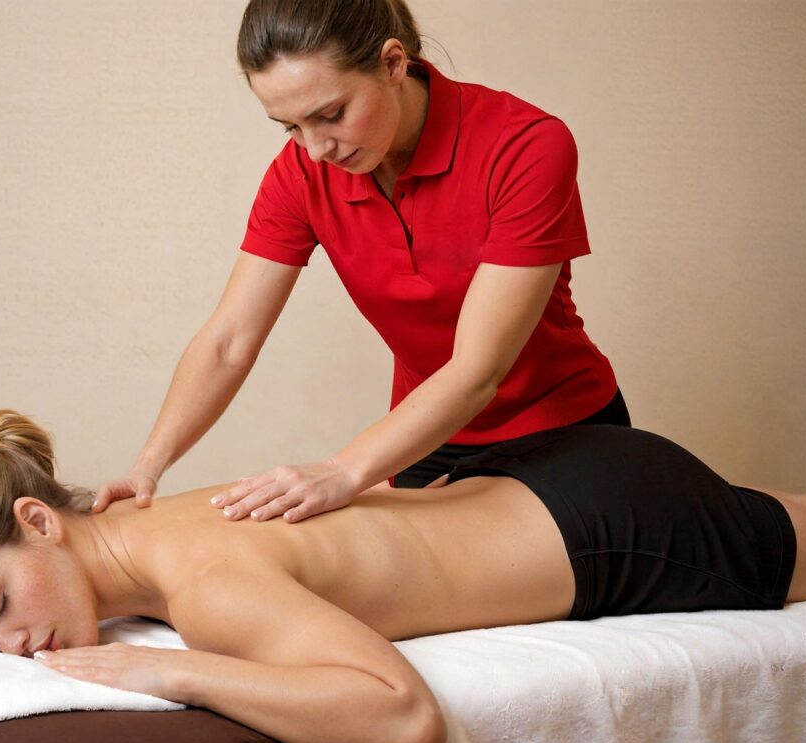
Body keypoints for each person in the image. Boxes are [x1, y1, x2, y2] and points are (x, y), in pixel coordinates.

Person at [0, 410, 806, 743]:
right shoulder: (141, 521)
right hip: (544, 480)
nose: (11, 646)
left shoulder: (206, 590)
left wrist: (173, 673)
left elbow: (403, 722)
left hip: (612, 533)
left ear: (38, 520)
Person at [93, 0, 629, 524]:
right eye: (289, 126)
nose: (315, 148)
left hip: (562, 428)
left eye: (330, 115)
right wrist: (148, 468)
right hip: (424, 436)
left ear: (393, 63)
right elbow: (229, 342)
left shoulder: (526, 145)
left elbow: (477, 370)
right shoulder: (302, 173)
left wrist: (341, 472)